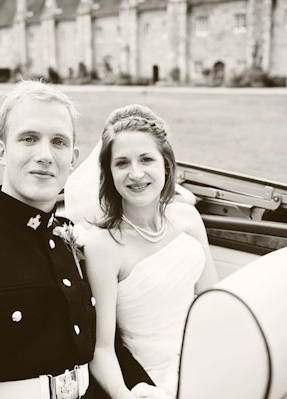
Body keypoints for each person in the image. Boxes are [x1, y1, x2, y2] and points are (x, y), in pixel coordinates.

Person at [0, 81, 149, 399]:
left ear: (73, 158)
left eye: (58, 142)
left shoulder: (69, 240)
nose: (45, 155)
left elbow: (104, 342)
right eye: (29, 139)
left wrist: (143, 387)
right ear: (2, 151)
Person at [83, 104, 219, 398]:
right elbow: (102, 348)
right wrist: (122, 394)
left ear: (165, 165)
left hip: (206, 356)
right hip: (154, 380)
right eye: (122, 163)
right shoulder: (103, 245)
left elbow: (212, 301)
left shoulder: (187, 219)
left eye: (146, 159)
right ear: (109, 172)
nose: (136, 174)